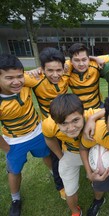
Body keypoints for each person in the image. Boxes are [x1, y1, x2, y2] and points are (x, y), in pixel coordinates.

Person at [0, 54, 51, 216]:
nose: (16, 82)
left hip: (38, 132)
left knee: (48, 155)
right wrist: (6, 147)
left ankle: (56, 176)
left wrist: (37, 70)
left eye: (19, 76)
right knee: (14, 171)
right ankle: (15, 199)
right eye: (9, 78)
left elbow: (52, 67)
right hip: (14, 141)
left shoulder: (26, 81)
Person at [42, 93, 104, 216]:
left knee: (99, 180)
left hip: (93, 152)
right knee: (69, 190)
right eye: (64, 123)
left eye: (75, 120)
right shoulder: (49, 125)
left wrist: (92, 119)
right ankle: (76, 211)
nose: (71, 128)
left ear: (83, 114)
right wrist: (60, 156)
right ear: (55, 121)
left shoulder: (90, 115)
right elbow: (49, 138)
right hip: (70, 153)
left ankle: (98, 200)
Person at [24, 47, 68, 199]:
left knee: (73, 150)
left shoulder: (67, 69)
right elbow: (10, 76)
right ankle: (60, 185)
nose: (55, 74)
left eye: (58, 70)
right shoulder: (35, 78)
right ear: (42, 69)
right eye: (50, 70)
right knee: (56, 157)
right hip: (50, 128)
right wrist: (34, 71)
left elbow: (87, 59)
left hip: (68, 124)